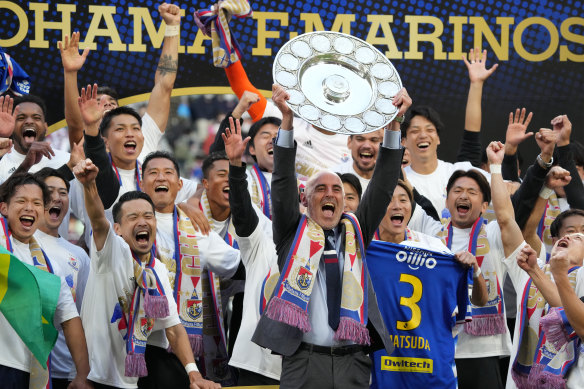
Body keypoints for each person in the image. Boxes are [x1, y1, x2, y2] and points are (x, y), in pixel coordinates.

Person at [251, 84, 410, 389]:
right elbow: (282, 181)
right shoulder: (290, 232)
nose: (330, 194)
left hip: (353, 362)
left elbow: (383, 184)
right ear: (305, 199)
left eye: (336, 189)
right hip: (304, 361)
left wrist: (394, 124)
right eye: (320, 189)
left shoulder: (356, 230)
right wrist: (287, 119)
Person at [73, 158, 219, 389]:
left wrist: (194, 373)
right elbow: (99, 221)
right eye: (133, 218)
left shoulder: (157, 269)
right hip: (98, 378)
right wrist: (90, 185)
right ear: (118, 230)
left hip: (132, 378)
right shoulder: (111, 253)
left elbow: (173, 327)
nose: (143, 222)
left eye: (148, 216)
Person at [138, 150, 240, 387]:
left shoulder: (196, 227)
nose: (161, 178)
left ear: (179, 184)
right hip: (128, 342)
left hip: (172, 349)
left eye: (168, 173)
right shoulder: (126, 217)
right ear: (141, 184)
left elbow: (238, 265)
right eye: (153, 173)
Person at [486, 141, 584, 388]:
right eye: (568, 233)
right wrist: (496, 168)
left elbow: (573, 317)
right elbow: (507, 220)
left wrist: (537, 272)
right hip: (521, 382)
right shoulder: (533, 266)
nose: (570, 237)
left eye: (580, 237)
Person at [0, 173, 91, 389]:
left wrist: (83, 374)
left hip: (30, 370)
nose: (30, 208)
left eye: (37, 203)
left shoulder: (51, 268)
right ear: (4, 208)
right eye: (22, 201)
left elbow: (70, 320)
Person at [222, 116, 282, 385]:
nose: (273, 139)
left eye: (280, 135)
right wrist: (235, 166)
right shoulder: (245, 180)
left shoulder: (312, 184)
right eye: (265, 135)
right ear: (252, 149)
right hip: (250, 285)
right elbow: (243, 212)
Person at [402, 49, 496, 216]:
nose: (423, 135)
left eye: (430, 130)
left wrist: (476, 85)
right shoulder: (401, 181)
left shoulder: (458, 172)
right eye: (415, 131)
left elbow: (472, 136)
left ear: (438, 138)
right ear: (404, 141)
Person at [33, 168, 91, 389]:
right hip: (27, 365)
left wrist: (82, 372)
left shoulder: (79, 256)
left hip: (67, 372)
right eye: (49, 191)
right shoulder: (14, 243)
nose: (57, 197)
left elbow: (82, 315)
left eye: (63, 192)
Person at [0, 95, 71, 182]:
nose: (29, 121)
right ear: (12, 126)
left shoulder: (66, 160)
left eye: (36, 118)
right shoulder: (1, 160)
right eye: (21, 118)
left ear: (46, 128)